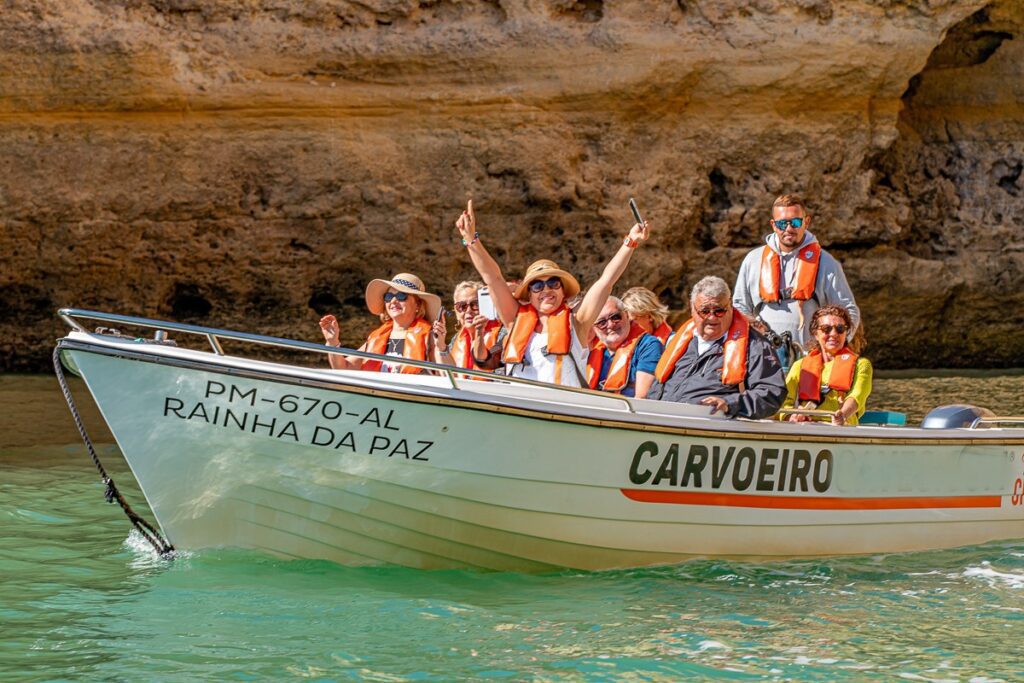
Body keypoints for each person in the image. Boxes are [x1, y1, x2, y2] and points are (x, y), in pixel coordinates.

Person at [456, 199, 649, 387]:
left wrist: (630, 242)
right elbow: (492, 278)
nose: (546, 290)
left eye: (553, 283)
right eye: (537, 286)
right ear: (529, 295)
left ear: (563, 291)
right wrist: (471, 239)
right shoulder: (514, 320)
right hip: (521, 410)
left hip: (562, 411)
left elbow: (606, 281)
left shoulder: (578, 322)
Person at [732, 194, 860, 362]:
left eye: (796, 222)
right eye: (782, 223)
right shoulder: (753, 260)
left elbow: (848, 310)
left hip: (809, 359)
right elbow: (739, 306)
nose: (789, 228)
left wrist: (834, 347)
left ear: (806, 222)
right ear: (773, 225)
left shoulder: (826, 262)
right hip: (764, 357)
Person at [648, 276, 785, 419]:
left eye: (719, 311)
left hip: (711, 426)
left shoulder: (755, 345)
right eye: (705, 311)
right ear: (692, 308)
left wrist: (729, 404)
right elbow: (657, 388)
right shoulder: (681, 341)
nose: (712, 318)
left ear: (730, 307)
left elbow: (772, 392)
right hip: (662, 421)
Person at [318, 273, 444, 373]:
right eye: (388, 297)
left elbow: (445, 374)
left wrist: (441, 346)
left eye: (401, 296)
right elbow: (344, 368)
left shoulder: (431, 335)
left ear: (417, 304)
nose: (393, 301)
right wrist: (332, 342)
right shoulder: (376, 337)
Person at [780, 305, 872, 426]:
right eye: (826, 329)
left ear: (846, 333)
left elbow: (857, 396)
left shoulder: (862, 365)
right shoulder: (799, 365)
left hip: (842, 427)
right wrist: (791, 416)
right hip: (806, 427)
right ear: (815, 334)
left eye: (840, 329)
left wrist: (842, 415)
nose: (833, 334)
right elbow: (784, 402)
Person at [586, 297, 664, 398]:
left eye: (615, 317)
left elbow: (642, 399)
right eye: (602, 323)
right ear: (594, 328)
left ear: (626, 315)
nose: (610, 325)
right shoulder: (590, 352)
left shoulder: (648, 345)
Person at [438, 280, 505, 372]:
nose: (468, 310)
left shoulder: (502, 333)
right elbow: (450, 375)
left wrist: (479, 333)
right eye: (461, 306)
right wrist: (441, 346)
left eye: (475, 304)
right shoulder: (455, 339)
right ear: (456, 312)